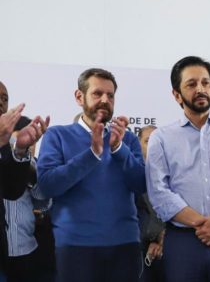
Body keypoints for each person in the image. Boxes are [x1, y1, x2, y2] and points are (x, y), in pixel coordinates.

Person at [146, 56, 210, 282]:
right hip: (183, 243)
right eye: (191, 84)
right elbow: (159, 193)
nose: (200, 89)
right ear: (176, 95)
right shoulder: (161, 138)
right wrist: (205, 224)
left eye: (206, 83)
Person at [37, 68, 146, 282]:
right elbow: (48, 186)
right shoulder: (56, 135)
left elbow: (141, 183)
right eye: (98, 93)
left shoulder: (128, 139)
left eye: (110, 95)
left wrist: (118, 150)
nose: (105, 100)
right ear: (80, 97)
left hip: (125, 246)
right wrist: (92, 155)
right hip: (75, 247)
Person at [0, 81, 50, 280]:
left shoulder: (12, 150)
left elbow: (13, 191)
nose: (1, 102)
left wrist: (21, 152)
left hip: (23, 248)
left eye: (5, 98)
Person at [136, 125, 164, 282]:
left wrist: (162, 238)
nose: (153, 145)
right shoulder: (132, 172)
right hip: (138, 250)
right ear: (138, 144)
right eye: (148, 141)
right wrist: (155, 237)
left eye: (157, 141)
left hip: (169, 246)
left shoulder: (174, 172)